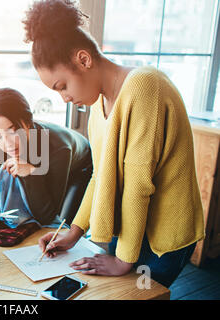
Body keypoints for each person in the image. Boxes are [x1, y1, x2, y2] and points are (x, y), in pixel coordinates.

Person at [24, 0, 205, 287]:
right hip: (131, 229)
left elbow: (138, 184)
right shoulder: (98, 106)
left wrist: (123, 261)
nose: (65, 98)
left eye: (62, 87)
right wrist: (74, 232)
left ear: (84, 59)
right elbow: (100, 176)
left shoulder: (145, 87)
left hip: (162, 237)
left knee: (137, 294)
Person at [0, 87, 92, 229]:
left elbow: (47, 216)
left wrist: (31, 173)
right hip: (45, 156)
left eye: (12, 131)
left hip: (80, 167)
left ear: (28, 121)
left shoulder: (58, 149)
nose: (8, 144)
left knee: (62, 228)